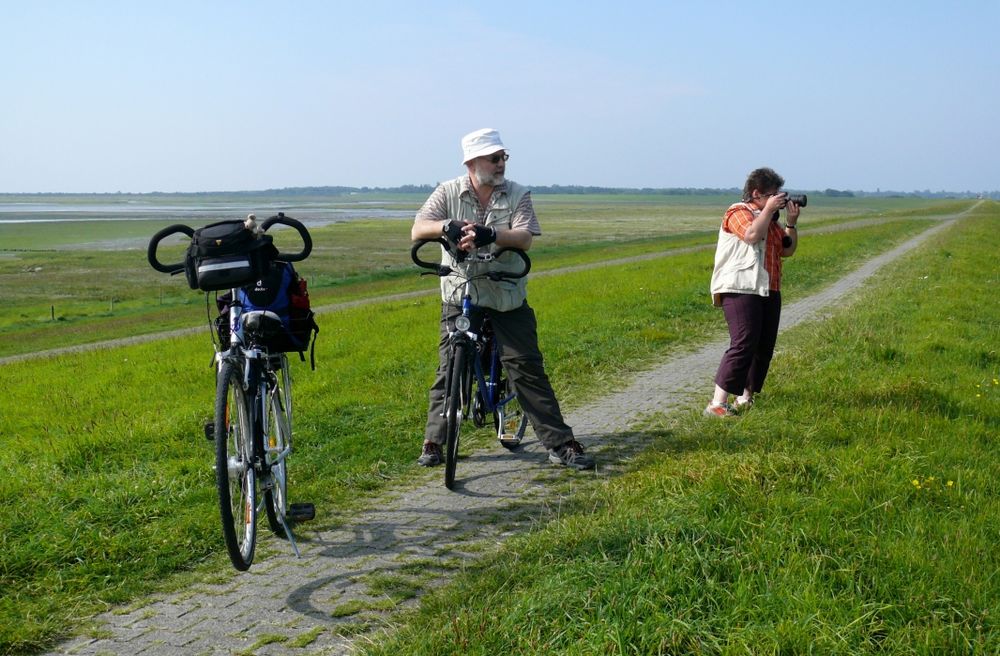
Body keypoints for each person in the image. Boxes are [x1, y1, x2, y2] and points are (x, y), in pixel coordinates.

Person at [411, 128, 594, 470]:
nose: (501, 164)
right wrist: (446, 227)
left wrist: (492, 235)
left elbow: (524, 237)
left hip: (506, 293)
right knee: (450, 366)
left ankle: (560, 444)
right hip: (460, 292)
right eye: (494, 159)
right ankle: (434, 443)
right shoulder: (448, 191)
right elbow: (418, 228)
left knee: (525, 366)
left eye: (503, 158)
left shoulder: (518, 194)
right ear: (472, 162)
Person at [705, 167, 801, 417]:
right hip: (740, 286)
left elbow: (787, 250)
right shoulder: (737, 212)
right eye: (773, 195)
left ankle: (745, 398)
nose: (778, 199)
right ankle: (717, 403)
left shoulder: (771, 219)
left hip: (768, 287)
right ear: (756, 193)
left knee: (763, 346)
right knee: (743, 342)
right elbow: (750, 235)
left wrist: (790, 223)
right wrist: (768, 210)